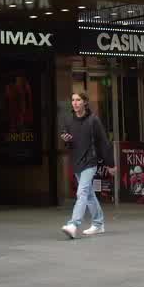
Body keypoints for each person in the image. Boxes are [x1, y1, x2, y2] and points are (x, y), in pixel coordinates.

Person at [60, 91, 116, 238]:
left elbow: (103, 142)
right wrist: (67, 140)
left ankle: (73, 224)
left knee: (82, 192)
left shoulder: (93, 120)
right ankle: (98, 224)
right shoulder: (68, 120)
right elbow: (69, 143)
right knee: (89, 194)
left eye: (78, 100)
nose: (75, 103)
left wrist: (111, 164)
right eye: (73, 100)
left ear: (85, 102)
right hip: (77, 161)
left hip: (90, 161)